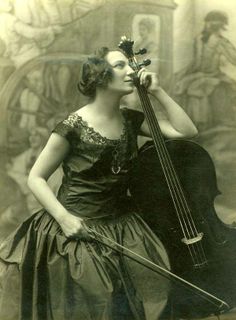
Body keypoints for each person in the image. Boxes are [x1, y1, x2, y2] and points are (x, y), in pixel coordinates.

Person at [0, 46, 198, 320]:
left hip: (124, 226)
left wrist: (157, 92)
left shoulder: (131, 119)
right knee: (98, 301)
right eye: (120, 66)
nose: (132, 71)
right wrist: (64, 218)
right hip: (77, 226)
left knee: (153, 291)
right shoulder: (72, 126)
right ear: (99, 76)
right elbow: (36, 177)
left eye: (131, 65)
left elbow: (187, 131)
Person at [174, 10, 236, 131]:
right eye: (207, 23)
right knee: (179, 82)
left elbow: (234, 58)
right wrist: (184, 72)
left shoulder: (221, 42)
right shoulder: (198, 39)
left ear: (219, 26)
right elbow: (196, 62)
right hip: (198, 73)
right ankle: (186, 123)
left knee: (195, 87)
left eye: (213, 25)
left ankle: (200, 123)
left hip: (213, 75)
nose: (208, 27)